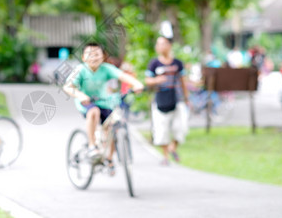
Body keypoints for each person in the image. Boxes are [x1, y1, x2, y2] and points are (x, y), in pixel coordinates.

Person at [63, 43, 144, 175]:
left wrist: (136, 84)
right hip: (86, 102)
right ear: (84, 57)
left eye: (97, 54)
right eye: (90, 54)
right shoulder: (80, 70)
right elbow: (68, 86)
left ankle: (109, 159)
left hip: (104, 102)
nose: (93, 57)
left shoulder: (106, 69)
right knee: (94, 111)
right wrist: (80, 95)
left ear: (103, 57)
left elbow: (123, 76)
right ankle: (92, 145)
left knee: (112, 126)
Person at [145, 36, 190, 166]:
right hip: (160, 100)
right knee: (161, 130)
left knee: (181, 127)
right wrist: (156, 80)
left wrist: (187, 98)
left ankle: (173, 148)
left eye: (164, 44)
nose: (161, 47)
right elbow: (148, 80)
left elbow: (183, 81)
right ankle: (165, 157)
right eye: (159, 44)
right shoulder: (154, 63)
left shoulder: (177, 63)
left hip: (177, 99)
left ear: (170, 45)